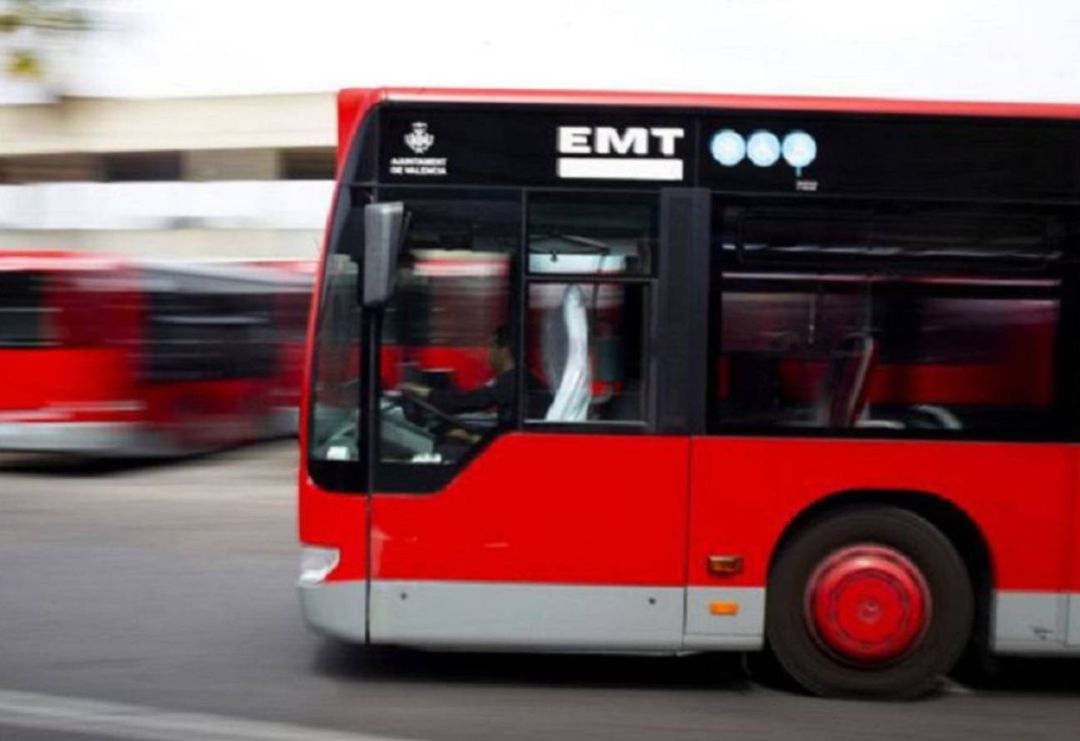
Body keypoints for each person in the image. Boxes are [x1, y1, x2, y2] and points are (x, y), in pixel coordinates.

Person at [398, 325, 548, 429]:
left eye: (491, 347)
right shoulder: (519, 378)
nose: (488, 354)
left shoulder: (512, 381)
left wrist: (420, 391)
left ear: (504, 350)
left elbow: (467, 402)